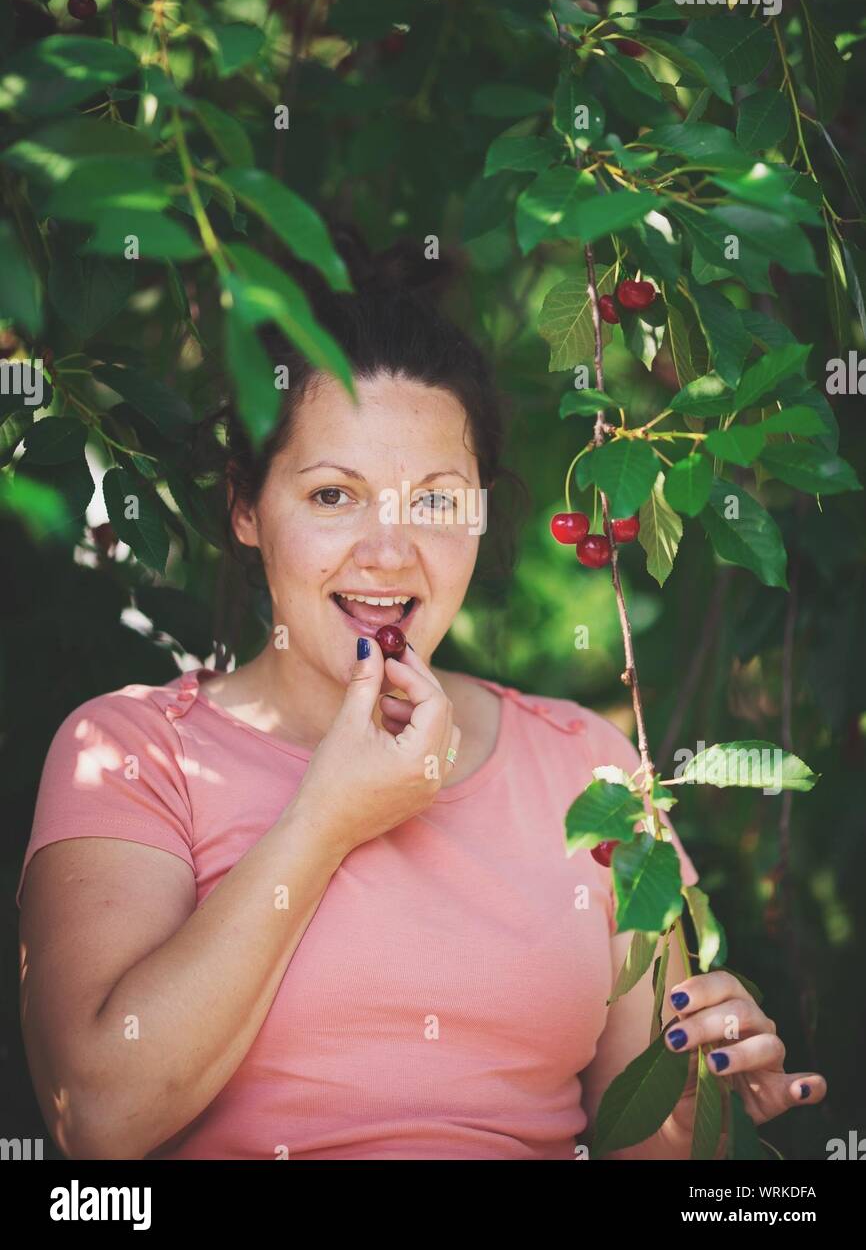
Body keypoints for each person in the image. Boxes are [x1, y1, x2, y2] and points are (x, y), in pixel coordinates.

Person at [16, 245, 825, 1160]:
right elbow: (98, 1116)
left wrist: (711, 1096)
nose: (390, 553)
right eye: (333, 495)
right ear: (245, 507)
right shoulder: (132, 753)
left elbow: (663, 1151)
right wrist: (327, 819)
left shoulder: (582, 764)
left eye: (437, 504)